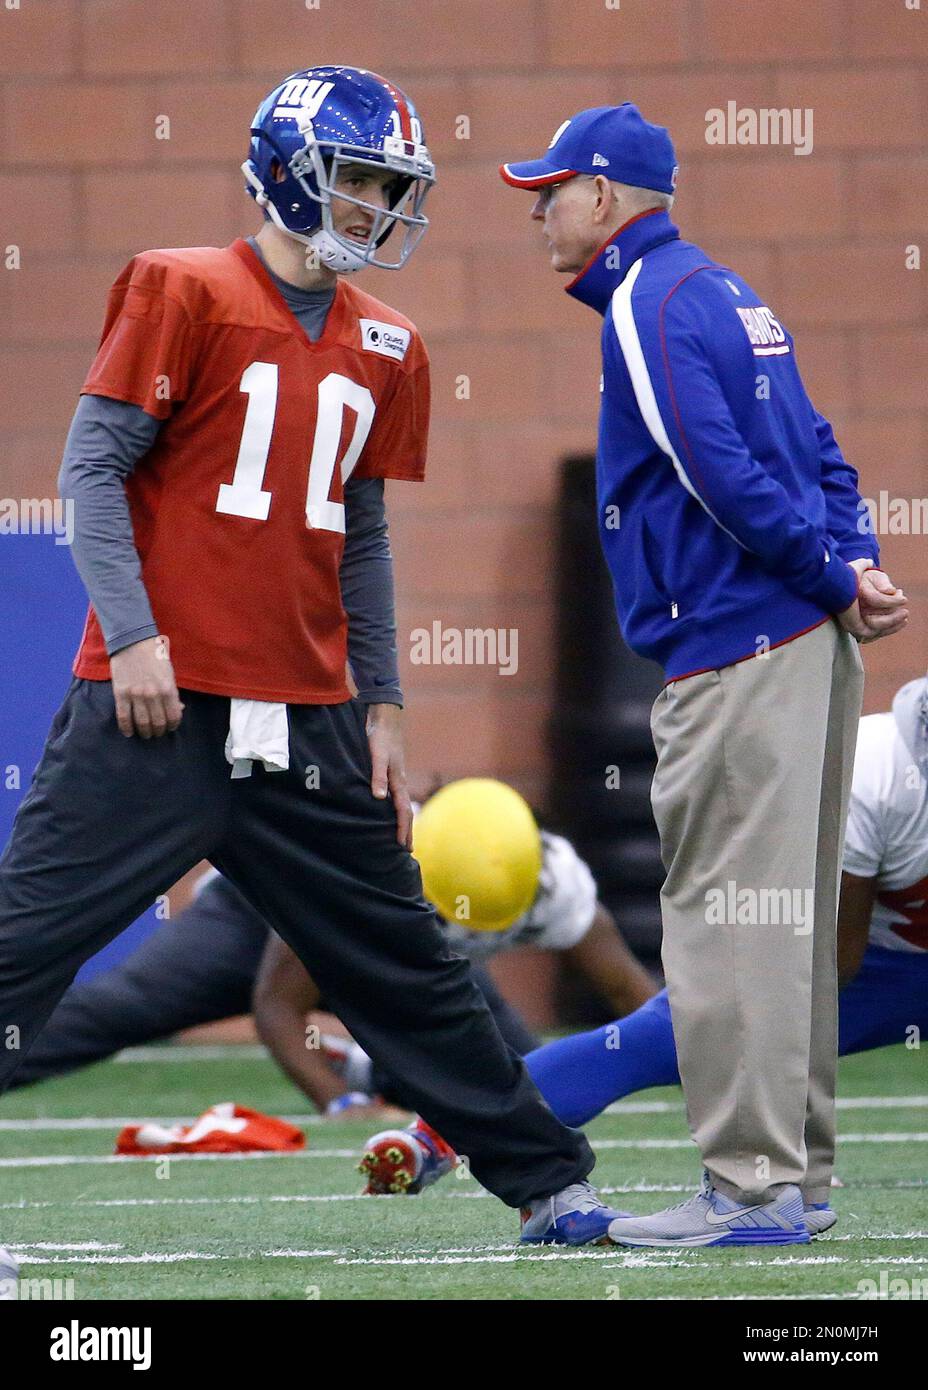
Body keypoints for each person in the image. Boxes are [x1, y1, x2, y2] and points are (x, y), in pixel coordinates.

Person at [0, 67, 626, 1250]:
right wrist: (133, 637)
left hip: (308, 719)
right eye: (362, 179)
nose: (377, 204)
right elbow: (88, 478)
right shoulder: (179, 287)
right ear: (291, 168)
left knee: (406, 965)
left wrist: (383, 705)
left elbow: (364, 538)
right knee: (24, 952)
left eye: (392, 184)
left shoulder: (388, 342)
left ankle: (551, 1184)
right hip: (159, 708)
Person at [497, 103, 909, 1247]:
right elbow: (824, 448)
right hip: (802, 647)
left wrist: (832, 574)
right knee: (785, 926)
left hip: (739, 649)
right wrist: (853, 563)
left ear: (605, 195)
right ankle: (796, 1178)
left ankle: (750, 1188)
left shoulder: (643, 297)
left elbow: (712, 467)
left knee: (728, 925)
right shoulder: (732, 293)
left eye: (551, 188)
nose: (538, 212)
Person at [361, 675, 928, 1235]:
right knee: (679, 1030)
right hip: (877, 961)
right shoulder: (872, 775)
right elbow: (834, 962)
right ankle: (439, 1136)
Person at [7, 781, 655, 1115]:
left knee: (511, 1074)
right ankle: (359, 1075)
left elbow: (634, 997)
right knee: (118, 1012)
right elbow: (276, 1006)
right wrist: (336, 1102)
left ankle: (376, 1069)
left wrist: (696, 1071)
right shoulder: (366, 869)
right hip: (255, 922)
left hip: (401, 955)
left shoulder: (557, 890)